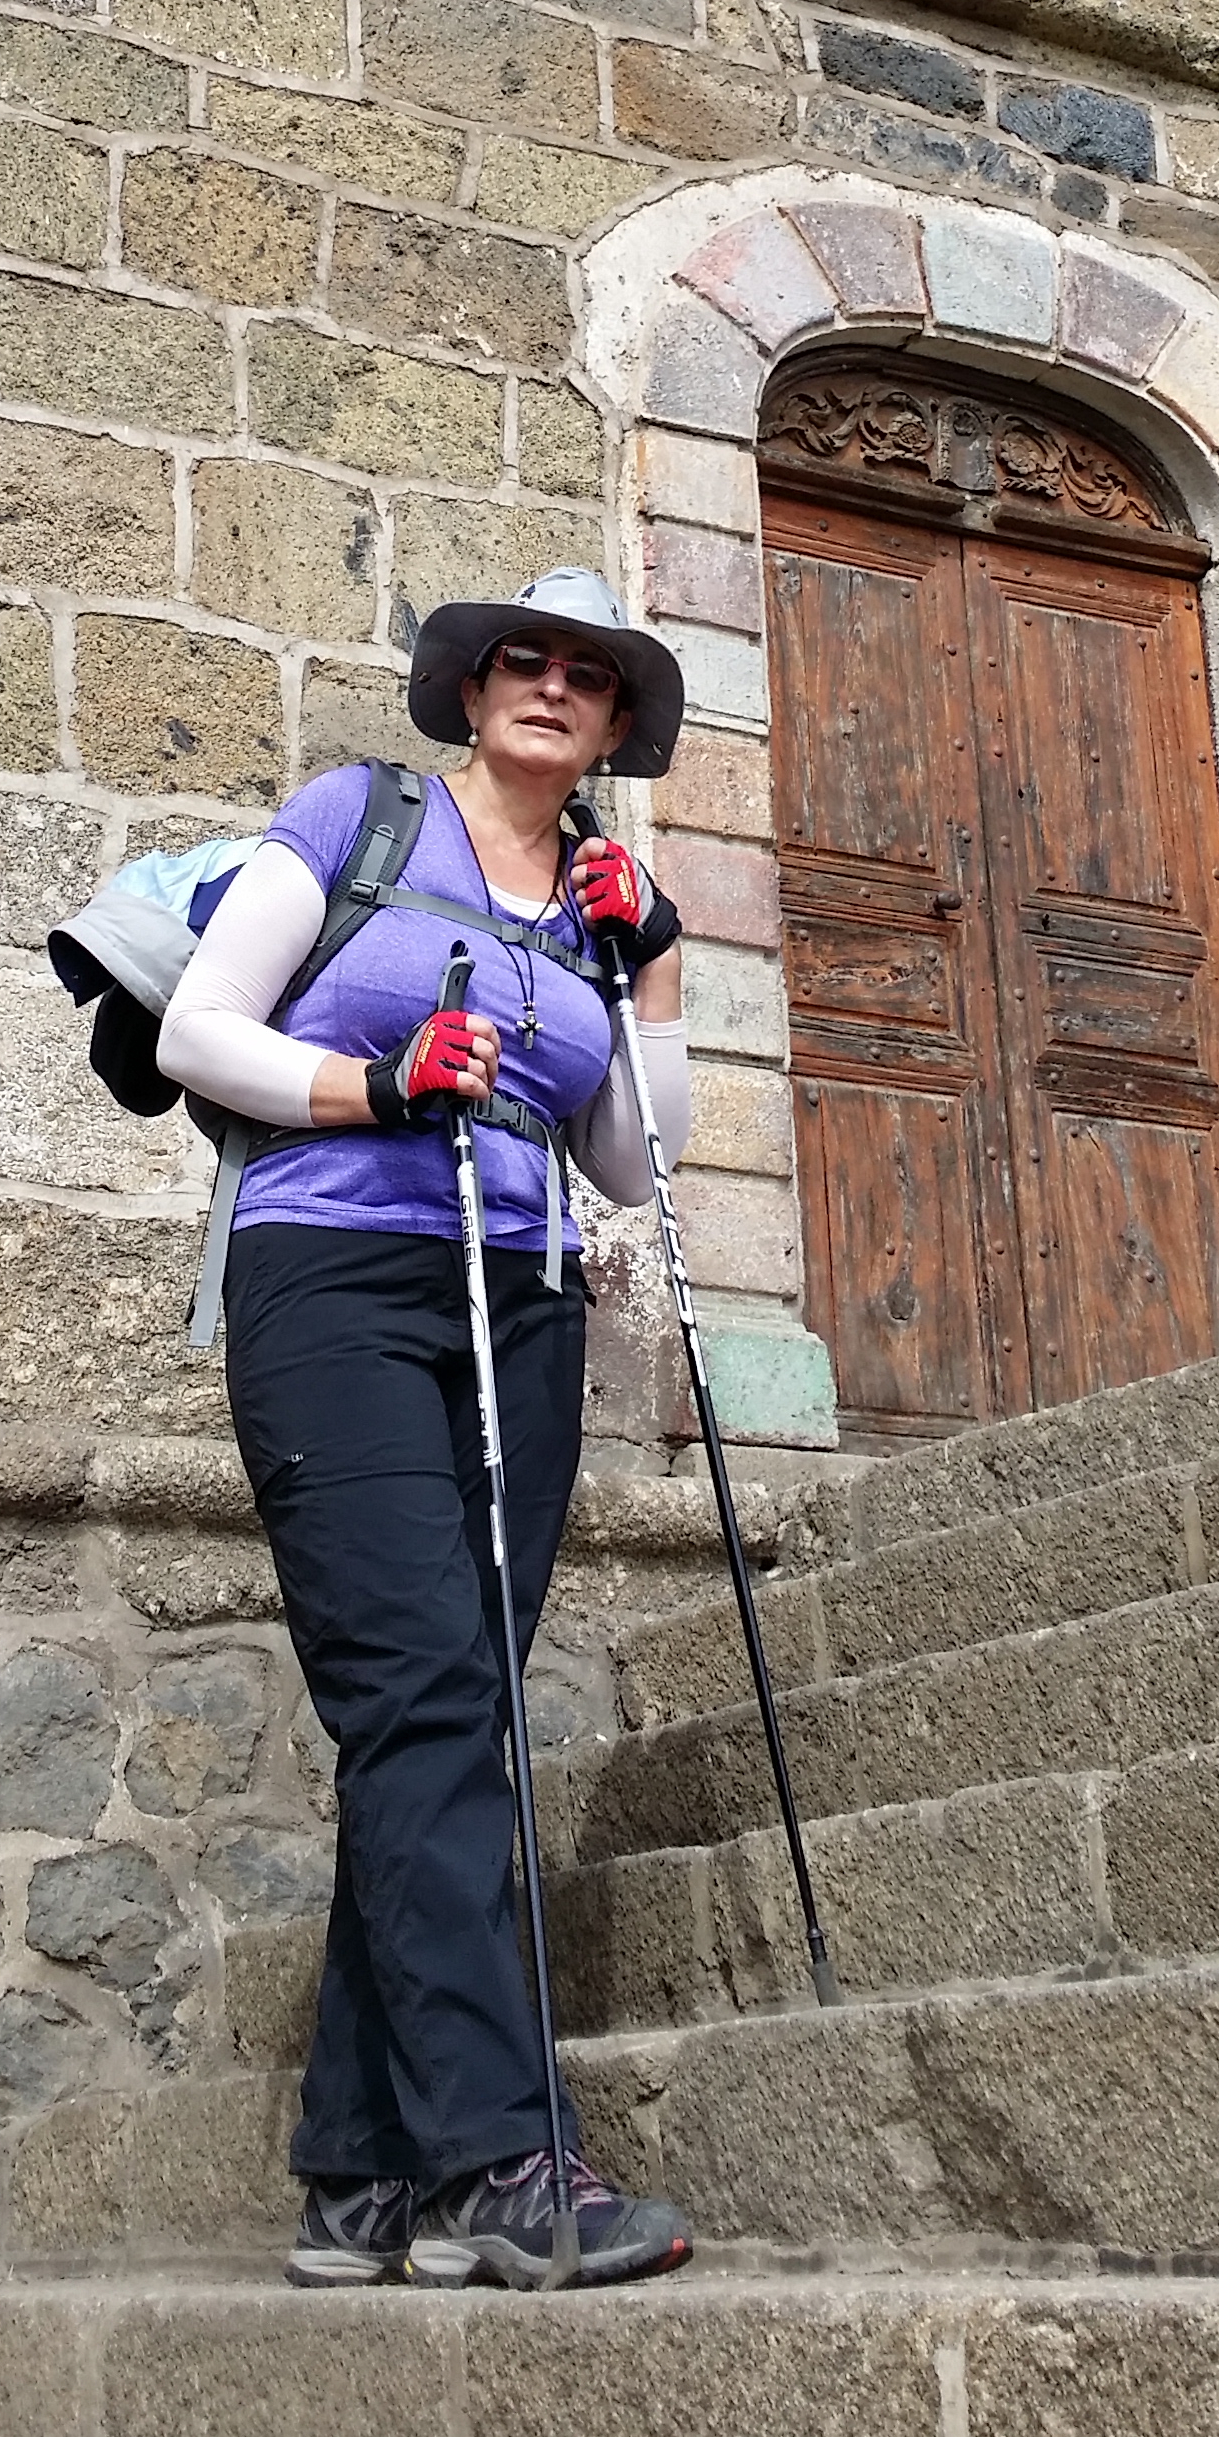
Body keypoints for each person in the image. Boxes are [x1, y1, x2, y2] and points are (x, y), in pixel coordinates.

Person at [157, 566, 696, 2294]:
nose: (549, 686)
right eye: (520, 661)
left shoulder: (608, 906)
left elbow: (633, 1161)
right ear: (471, 691)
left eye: (587, 677)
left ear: (614, 726)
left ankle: (356, 2168)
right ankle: (499, 2160)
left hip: (521, 1302)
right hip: (333, 1279)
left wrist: (646, 963)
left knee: (448, 1713)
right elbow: (197, 1031)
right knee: (427, 1697)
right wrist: (373, 1085)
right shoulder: (357, 817)